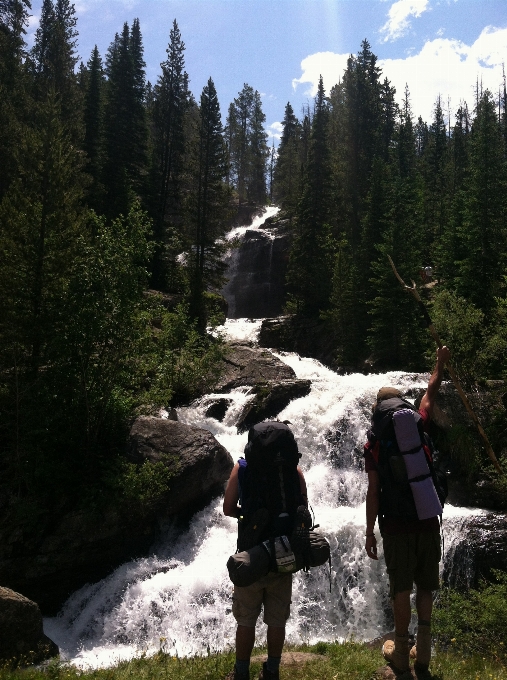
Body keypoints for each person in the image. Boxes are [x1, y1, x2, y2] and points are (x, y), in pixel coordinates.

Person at [364, 345, 451, 674]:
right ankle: (424, 655)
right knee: (425, 586)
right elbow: (430, 392)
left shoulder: (374, 441)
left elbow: (374, 491)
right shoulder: (417, 425)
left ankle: (401, 653)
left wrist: (369, 530)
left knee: (401, 587)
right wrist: (439, 363)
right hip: (428, 517)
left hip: (396, 523)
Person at [223, 430, 308, 680]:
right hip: (284, 553)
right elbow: (302, 508)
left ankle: (241, 672)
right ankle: (272, 670)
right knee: (277, 619)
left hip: (252, 554)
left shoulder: (242, 468)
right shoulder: (294, 471)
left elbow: (228, 509)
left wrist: (247, 514)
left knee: (246, 619)